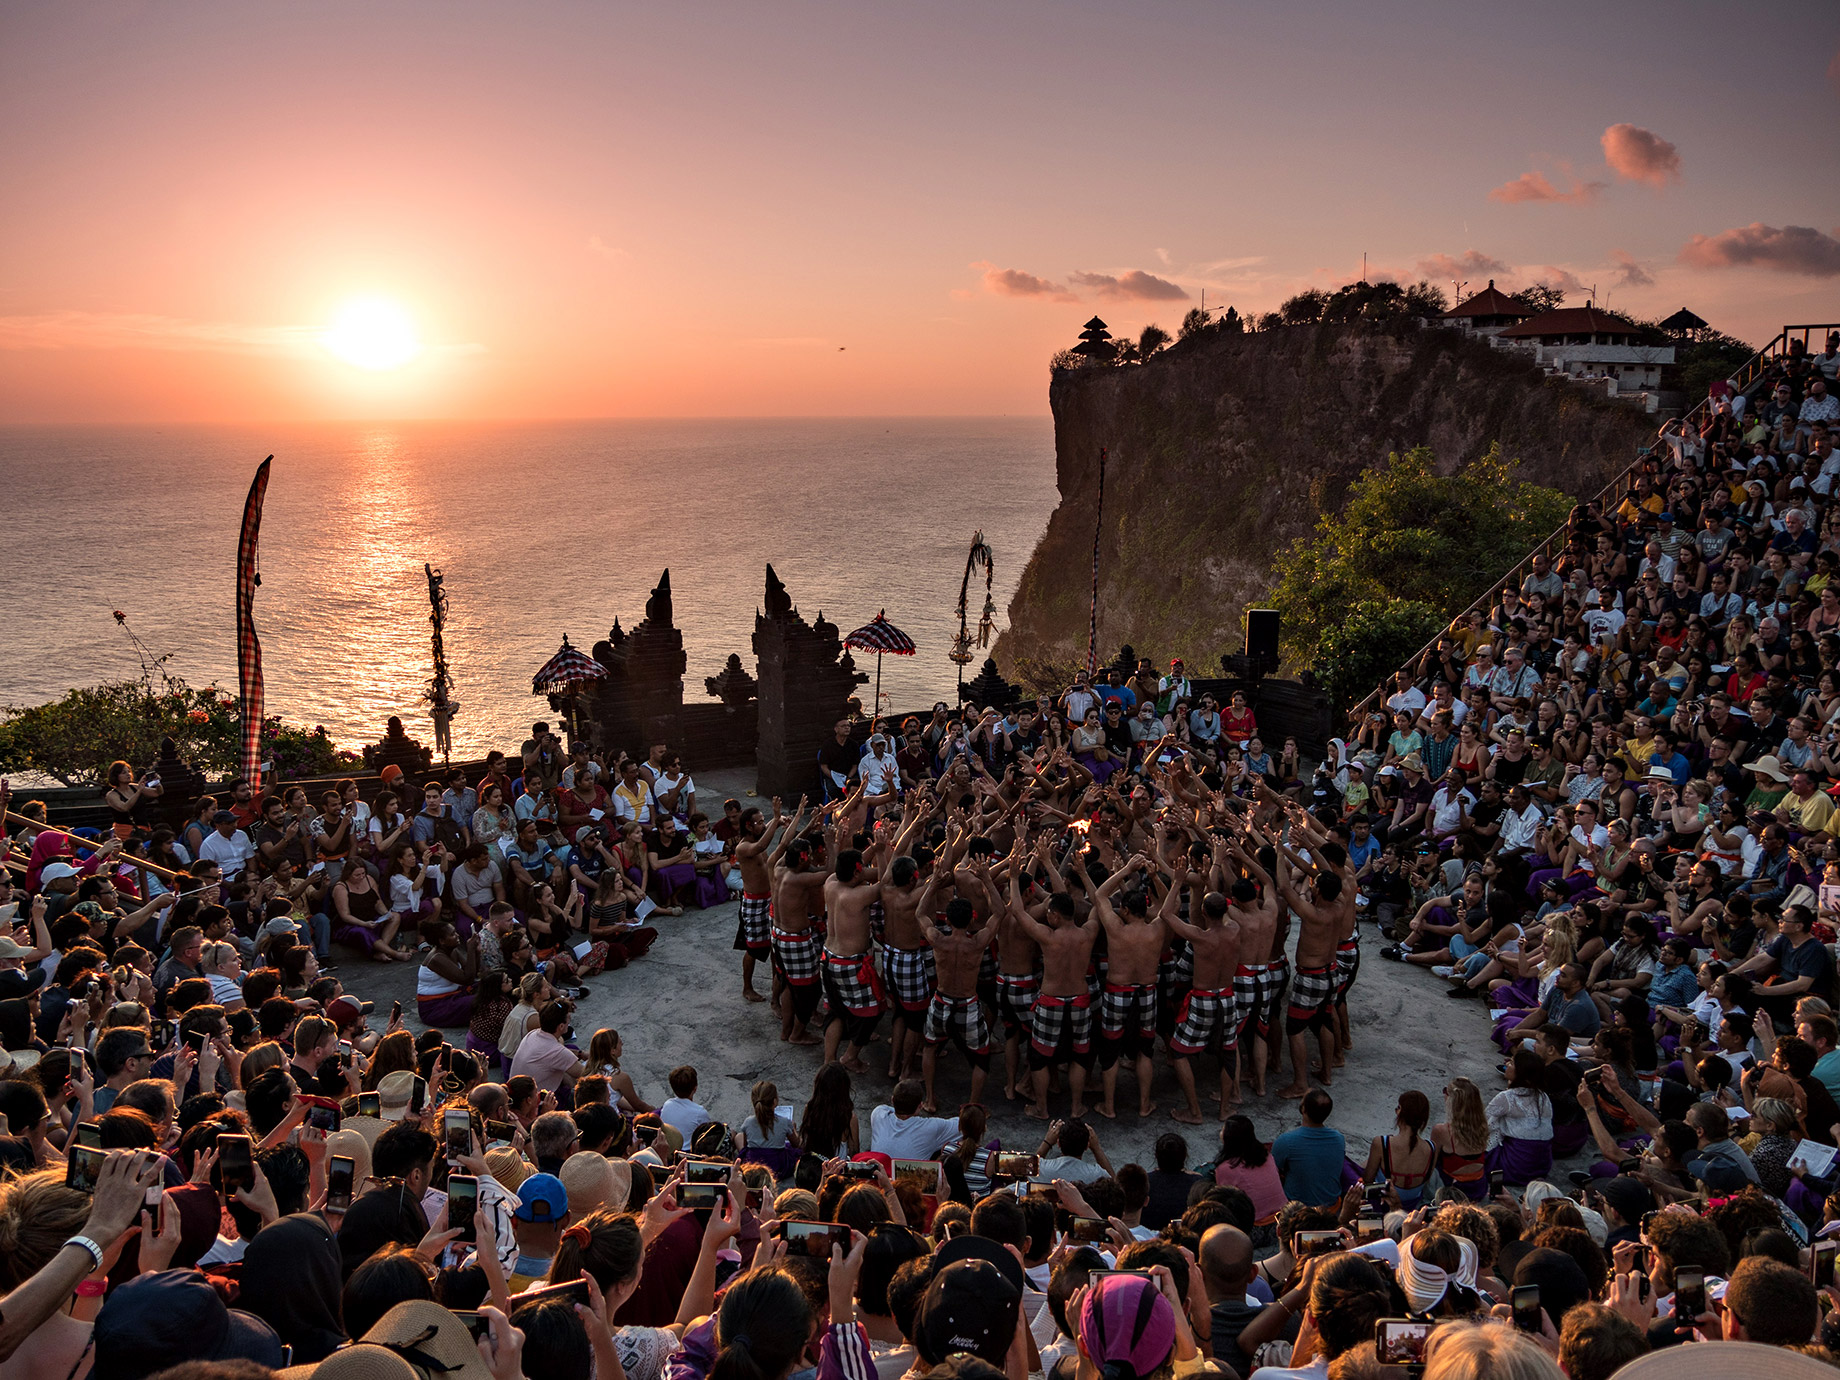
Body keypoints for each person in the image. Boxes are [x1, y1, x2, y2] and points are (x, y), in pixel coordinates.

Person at [1270, 1089, 1345, 1206]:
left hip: (1298, 1208)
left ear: (1303, 1109)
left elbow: (1273, 1172)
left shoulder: (1286, 1141)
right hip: (1331, 1204)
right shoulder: (1339, 1139)